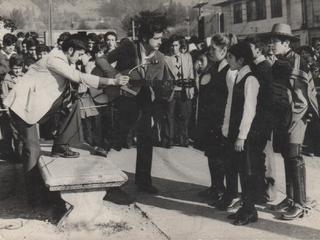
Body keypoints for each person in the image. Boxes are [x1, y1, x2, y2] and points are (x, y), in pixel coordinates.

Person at [3, 34, 129, 206]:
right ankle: (34, 197)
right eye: (78, 54)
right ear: (70, 50)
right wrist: (112, 81)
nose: (79, 58)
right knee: (32, 150)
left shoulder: (63, 59)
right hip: (22, 108)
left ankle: (61, 146)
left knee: (75, 102)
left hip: (38, 104)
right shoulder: (54, 59)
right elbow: (78, 76)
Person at [101, 13, 174, 193]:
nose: (159, 41)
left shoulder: (161, 58)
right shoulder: (128, 47)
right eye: (156, 38)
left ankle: (144, 182)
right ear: (144, 38)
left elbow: (162, 85)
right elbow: (101, 60)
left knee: (146, 140)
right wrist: (115, 75)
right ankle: (101, 177)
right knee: (116, 138)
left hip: (146, 102)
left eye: (161, 38)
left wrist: (164, 91)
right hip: (124, 98)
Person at [268, 23, 319, 220]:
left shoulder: (297, 62)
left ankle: (300, 203)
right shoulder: (280, 61)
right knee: (287, 157)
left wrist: (292, 121)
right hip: (283, 117)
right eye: (271, 41)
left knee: (294, 157)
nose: (271, 45)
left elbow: (302, 99)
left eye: (274, 42)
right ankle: (290, 198)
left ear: (285, 42)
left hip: (296, 117)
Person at [218, 41, 260, 225]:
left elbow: (249, 110)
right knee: (240, 169)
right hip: (234, 132)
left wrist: (241, 136)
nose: (228, 61)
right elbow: (230, 104)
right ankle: (245, 208)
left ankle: (250, 211)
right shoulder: (237, 76)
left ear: (241, 59)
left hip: (245, 135)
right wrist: (226, 128)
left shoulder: (250, 79)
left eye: (231, 58)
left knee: (246, 172)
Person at [196, 33, 235, 203]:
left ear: (224, 50)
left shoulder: (229, 70)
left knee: (221, 158)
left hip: (221, 121)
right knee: (211, 155)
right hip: (210, 120)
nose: (209, 51)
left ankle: (223, 191)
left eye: (213, 48)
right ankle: (215, 187)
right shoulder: (213, 66)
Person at [165, 35, 194, 147]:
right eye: (172, 45)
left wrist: (191, 88)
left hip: (184, 90)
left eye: (176, 45)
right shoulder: (165, 58)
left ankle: (183, 139)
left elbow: (191, 73)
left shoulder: (187, 57)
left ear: (180, 45)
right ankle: (169, 140)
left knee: (184, 115)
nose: (173, 48)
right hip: (171, 91)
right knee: (169, 116)